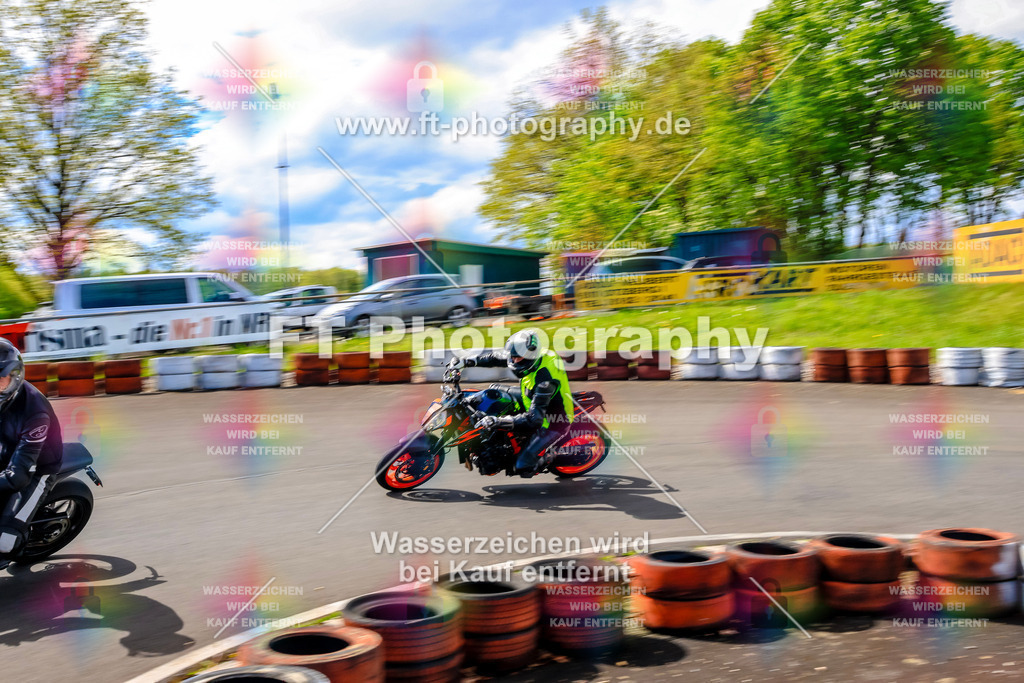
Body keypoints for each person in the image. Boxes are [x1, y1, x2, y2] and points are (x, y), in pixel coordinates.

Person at [450, 329, 574, 477]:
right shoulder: (530, 357)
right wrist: (465, 362)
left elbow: (534, 419)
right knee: (493, 392)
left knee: (522, 467)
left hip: (552, 421)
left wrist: (498, 421)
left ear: (529, 357)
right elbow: (497, 358)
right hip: (529, 396)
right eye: (513, 357)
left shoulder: (545, 381)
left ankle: (548, 456)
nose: (513, 361)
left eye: (517, 358)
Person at [0, 338, 63, 555]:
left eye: (0, 379)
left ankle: (17, 540)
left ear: (15, 377)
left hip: (37, 467)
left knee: (4, 542)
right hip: (6, 448)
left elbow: (18, 476)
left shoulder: (35, 413)